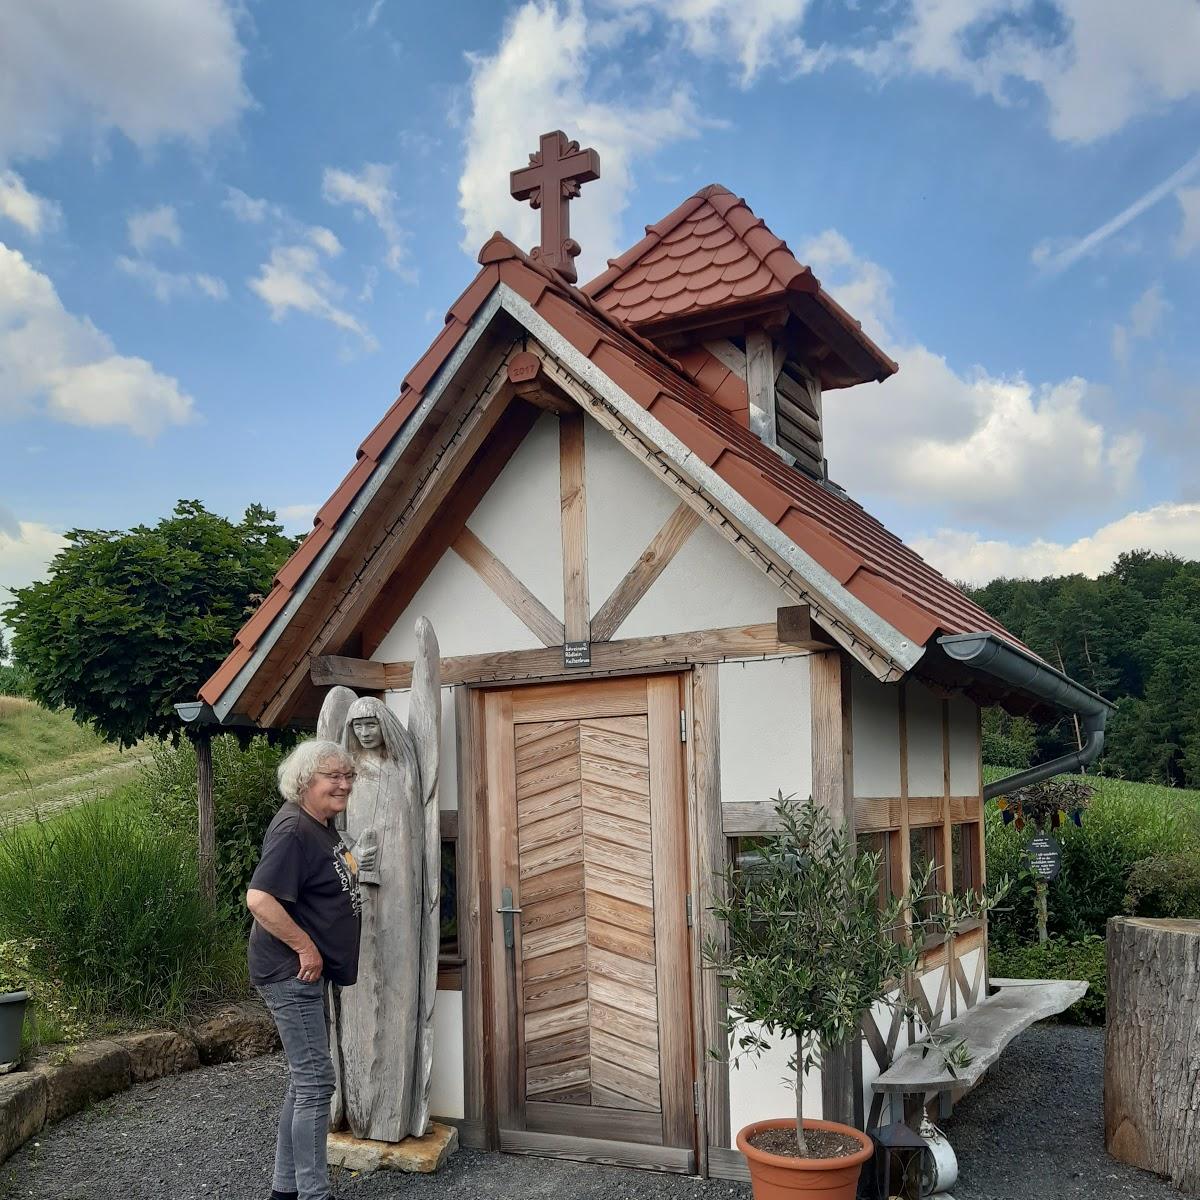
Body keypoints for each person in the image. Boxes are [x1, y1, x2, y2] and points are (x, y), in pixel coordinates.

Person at [247, 739, 372, 1200]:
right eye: (332, 777)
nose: (343, 784)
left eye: (347, 776)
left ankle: (286, 1190)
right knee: (317, 1083)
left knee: (305, 1082)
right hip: (290, 972)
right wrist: (306, 949)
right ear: (305, 783)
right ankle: (313, 1194)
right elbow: (259, 899)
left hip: (306, 973)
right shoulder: (293, 831)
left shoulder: (322, 825)